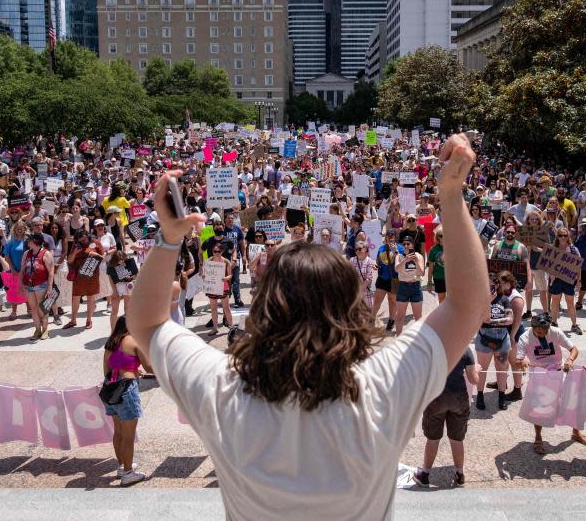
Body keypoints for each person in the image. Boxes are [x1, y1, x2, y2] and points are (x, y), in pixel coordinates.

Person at [126, 134, 489, 520]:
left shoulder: (221, 391)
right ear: (351, 313)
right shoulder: (386, 385)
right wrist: (451, 195)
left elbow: (146, 323)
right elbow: (467, 305)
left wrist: (168, 240)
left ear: (262, 310)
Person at [515, 312, 586, 454]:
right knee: (539, 406)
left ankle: (576, 432)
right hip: (538, 373)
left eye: (544, 331)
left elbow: (574, 349)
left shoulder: (555, 332)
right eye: (538, 331)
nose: (542, 333)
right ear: (533, 327)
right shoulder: (524, 338)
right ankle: (538, 438)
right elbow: (518, 359)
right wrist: (522, 361)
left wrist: (570, 360)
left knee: (573, 400)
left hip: (559, 369)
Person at [412, 345, 480, 487]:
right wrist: (477, 370)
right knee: (457, 439)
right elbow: (473, 380)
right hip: (458, 398)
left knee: (433, 438)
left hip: (436, 398)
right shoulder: (465, 350)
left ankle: (424, 474)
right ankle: (460, 474)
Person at [102, 315, 148, 486]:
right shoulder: (134, 341)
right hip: (127, 391)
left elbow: (108, 370)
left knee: (119, 432)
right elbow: (150, 366)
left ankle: (122, 466)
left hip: (111, 391)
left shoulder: (110, 343)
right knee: (129, 436)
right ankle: (128, 473)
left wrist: (134, 369)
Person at [474, 271, 515, 411]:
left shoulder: (504, 299)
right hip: (484, 338)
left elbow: (510, 319)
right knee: (482, 369)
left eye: (493, 285)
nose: (491, 288)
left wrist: (493, 321)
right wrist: (488, 300)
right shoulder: (480, 300)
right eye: (488, 286)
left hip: (502, 340)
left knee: (501, 368)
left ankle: (501, 396)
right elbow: (482, 319)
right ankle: (480, 395)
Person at [66, 229, 103, 330]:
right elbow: (69, 261)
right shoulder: (76, 245)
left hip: (92, 275)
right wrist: (74, 252)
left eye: (84, 239)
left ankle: (89, 320)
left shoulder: (96, 243)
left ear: (88, 236)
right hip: (79, 275)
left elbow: (103, 256)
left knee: (91, 298)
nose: (83, 241)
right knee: (75, 297)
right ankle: (73, 320)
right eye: (81, 240)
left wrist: (96, 255)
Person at [21, 233, 54, 340]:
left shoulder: (46, 253)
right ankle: (37, 330)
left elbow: (51, 272)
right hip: (28, 285)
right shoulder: (26, 253)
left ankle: (45, 330)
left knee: (41, 309)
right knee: (33, 309)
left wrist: (49, 287)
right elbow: (22, 270)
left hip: (41, 285)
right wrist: (20, 285)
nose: (27, 242)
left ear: (35, 241)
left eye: (29, 240)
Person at [547, 228, 581, 334]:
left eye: (565, 235)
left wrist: (579, 280)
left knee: (570, 302)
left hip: (568, 280)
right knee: (555, 301)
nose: (563, 237)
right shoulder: (553, 249)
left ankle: (574, 325)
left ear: (568, 236)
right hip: (556, 279)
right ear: (557, 236)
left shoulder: (573, 249)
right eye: (561, 235)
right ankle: (554, 323)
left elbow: (578, 266)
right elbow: (547, 263)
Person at [393, 236, 425, 336]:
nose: (406, 246)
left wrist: (415, 261)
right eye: (404, 244)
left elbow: (421, 273)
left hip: (415, 285)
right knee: (400, 316)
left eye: (408, 244)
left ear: (412, 245)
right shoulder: (399, 256)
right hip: (403, 286)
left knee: (418, 317)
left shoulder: (419, 256)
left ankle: (419, 340)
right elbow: (397, 269)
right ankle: (399, 339)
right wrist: (405, 260)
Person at [372, 230, 403, 331]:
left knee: (392, 300)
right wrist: (376, 265)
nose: (390, 237)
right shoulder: (381, 248)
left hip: (394, 279)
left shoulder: (400, 248)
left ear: (395, 237)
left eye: (392, 235)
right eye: (388, 235)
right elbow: (378, 261)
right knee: (377, 301)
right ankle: (371, 320)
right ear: (386, 238)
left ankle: (391, 321)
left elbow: (403, 262)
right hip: (382, 278)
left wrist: (396, 252)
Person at [349, 241, 376, 307]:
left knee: (367, 313)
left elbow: (368, 279)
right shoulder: (352, 260)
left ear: (365, 249)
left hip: (366, 291)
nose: (357, 251)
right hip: (354, 291)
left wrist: (360, 292)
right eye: (356, 249)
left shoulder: (370, 261)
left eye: (360, 249)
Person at [426, 227, 447, 304]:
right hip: (439, 277)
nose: (443, 237)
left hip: (451, 278)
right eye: (441, 236)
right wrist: (429, 282)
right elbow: (431, 268)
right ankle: (443, 316)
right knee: (442, 301)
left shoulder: (452, 247)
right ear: (437, 237)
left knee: (453, 301)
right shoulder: (433, 249)